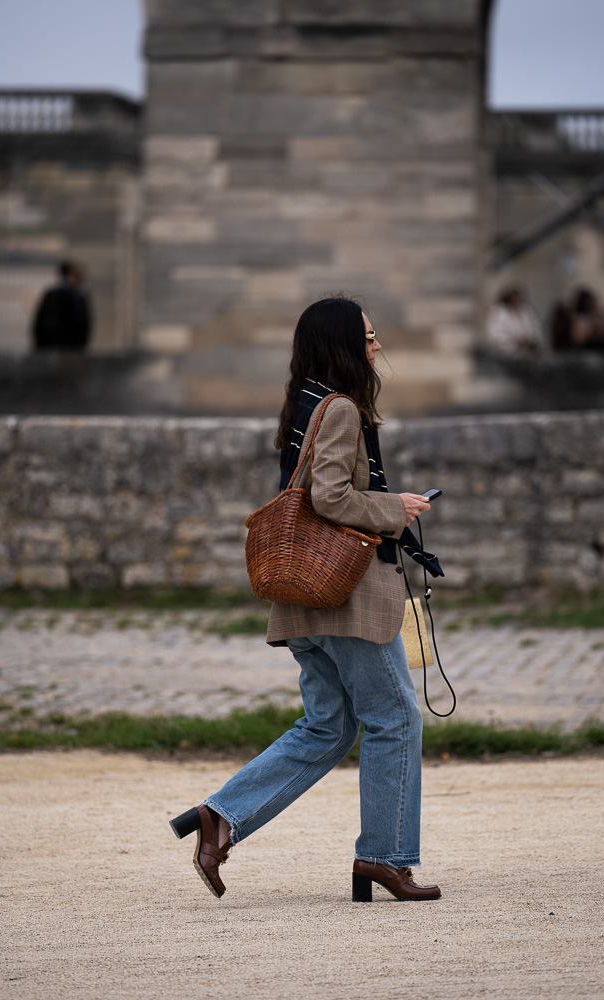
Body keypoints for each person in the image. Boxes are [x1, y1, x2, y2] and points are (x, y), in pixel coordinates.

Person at [170, 296, 443, 903]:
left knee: (328, 725)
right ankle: (385, 857)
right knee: (395, 717)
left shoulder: (305, 404)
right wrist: (395, 509)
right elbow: (329, 498)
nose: (377, 347)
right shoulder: (342, 408)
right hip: (345, 596)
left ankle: (222, 816)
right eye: (368, 337)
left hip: (305, 597)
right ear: (344, 344)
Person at [32, 260, 91, 351]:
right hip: (54, 348)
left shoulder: (80, 298)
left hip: (74, 349)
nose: (80, 278)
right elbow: (43, 324)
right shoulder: (53, 296)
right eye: (76, 275)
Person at [486, 286, 542, 356]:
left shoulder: (526, 310)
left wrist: (530, 339)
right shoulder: (498, 312)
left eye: (519, 299)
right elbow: (495, 334)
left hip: (527, 352)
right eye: (514, 299)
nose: (517, 301)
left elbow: (535, 328)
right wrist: (515, 340)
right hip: (506, 354)